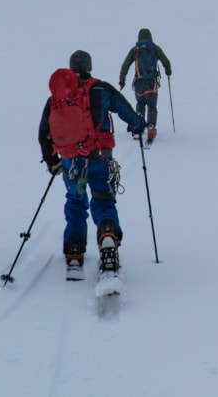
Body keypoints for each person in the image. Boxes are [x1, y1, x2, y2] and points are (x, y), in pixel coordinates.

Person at [39, 50, 144, 280]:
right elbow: (126, 110)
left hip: (69, 161)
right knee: (103, 198)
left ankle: (75, 247)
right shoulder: (101, 88)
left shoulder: (57, 96)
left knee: (75, 200)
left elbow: (43, 132)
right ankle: (107, 234)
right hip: (99, 155)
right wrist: (138, 125)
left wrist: (52, 161)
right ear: (89, 66)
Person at [118, 28, 172, 143]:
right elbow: (166, 61)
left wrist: (122, 80)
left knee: (140, 103)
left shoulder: (135, 50)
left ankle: (138, 129)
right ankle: (151, 128)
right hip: (151, 83)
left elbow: (125, 65)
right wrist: (168, 71)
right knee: (151, 106)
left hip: (138, 83)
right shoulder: (155, 48)